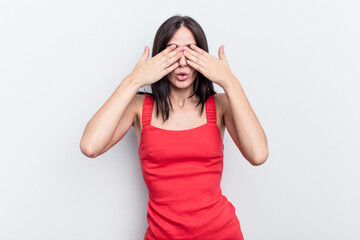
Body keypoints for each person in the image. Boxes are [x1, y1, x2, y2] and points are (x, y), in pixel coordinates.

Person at [80, 15, 268, 240]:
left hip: (221, 233)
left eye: (190, 52)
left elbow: (258, 155)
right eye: (172, 52)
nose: (182, 62)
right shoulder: (139, 108)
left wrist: (229, 81)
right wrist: (134, 80)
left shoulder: (220, 105)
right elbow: (90, 146)